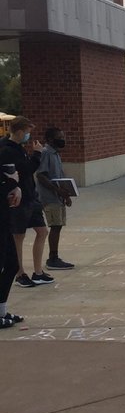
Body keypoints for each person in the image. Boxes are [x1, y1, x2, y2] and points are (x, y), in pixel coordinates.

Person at [0, 115, 52, 289]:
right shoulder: (7, 149)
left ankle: (38, 272)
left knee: (42, 231)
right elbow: (26, 170)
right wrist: (37, 154)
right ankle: (20, 273)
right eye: (28, 132)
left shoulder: (19, 147)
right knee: (18, 236)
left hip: (31, 196)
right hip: (18, 199)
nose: (29, 136)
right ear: (20, 131)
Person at [35, 125, 75, 270]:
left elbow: (59, 177)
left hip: (58, 197)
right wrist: (57, 191)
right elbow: (41, 175)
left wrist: (66, 194)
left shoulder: (56, 154)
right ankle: (53, 258)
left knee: (58, 225)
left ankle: (54, 256)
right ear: (51, 139)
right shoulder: (46, 153)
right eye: (60, 138)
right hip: (49, 197)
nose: (63, 140)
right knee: (55, 226)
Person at [0, 159, 23, 327]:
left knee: (12, 264)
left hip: (4, 220)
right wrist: (12, 182)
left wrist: (15, 188)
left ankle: (1, 311)